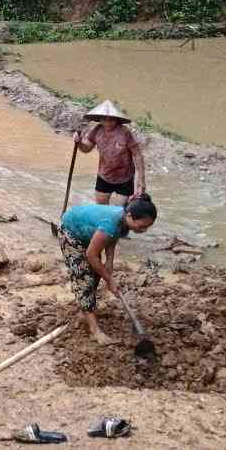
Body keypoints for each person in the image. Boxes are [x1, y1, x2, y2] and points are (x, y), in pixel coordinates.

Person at [58, 195, 158, 344]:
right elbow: (91, 254)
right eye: (142, 226)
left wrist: (109, 260)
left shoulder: (123, 220)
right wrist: (110, 279)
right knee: (84, 277)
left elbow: (112, 237)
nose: (143, 230)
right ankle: (94, 331)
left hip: (89, 235)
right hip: (71, 233)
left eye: (147, 227)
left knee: (95, 274)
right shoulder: (110, 223)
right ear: (130, 216)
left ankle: (85, 310)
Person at [73, 100, 146, 207]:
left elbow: (137, 155)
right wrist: (79, 142)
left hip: (124, 178)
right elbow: (86, 149)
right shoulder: (96, 130)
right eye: (104, 119)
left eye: (111, 119)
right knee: (101, 208)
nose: (107, 122)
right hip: (104, 176)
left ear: (117, 119)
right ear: (100, 119)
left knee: (119, 211)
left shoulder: (125, 133)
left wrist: (141, 180)